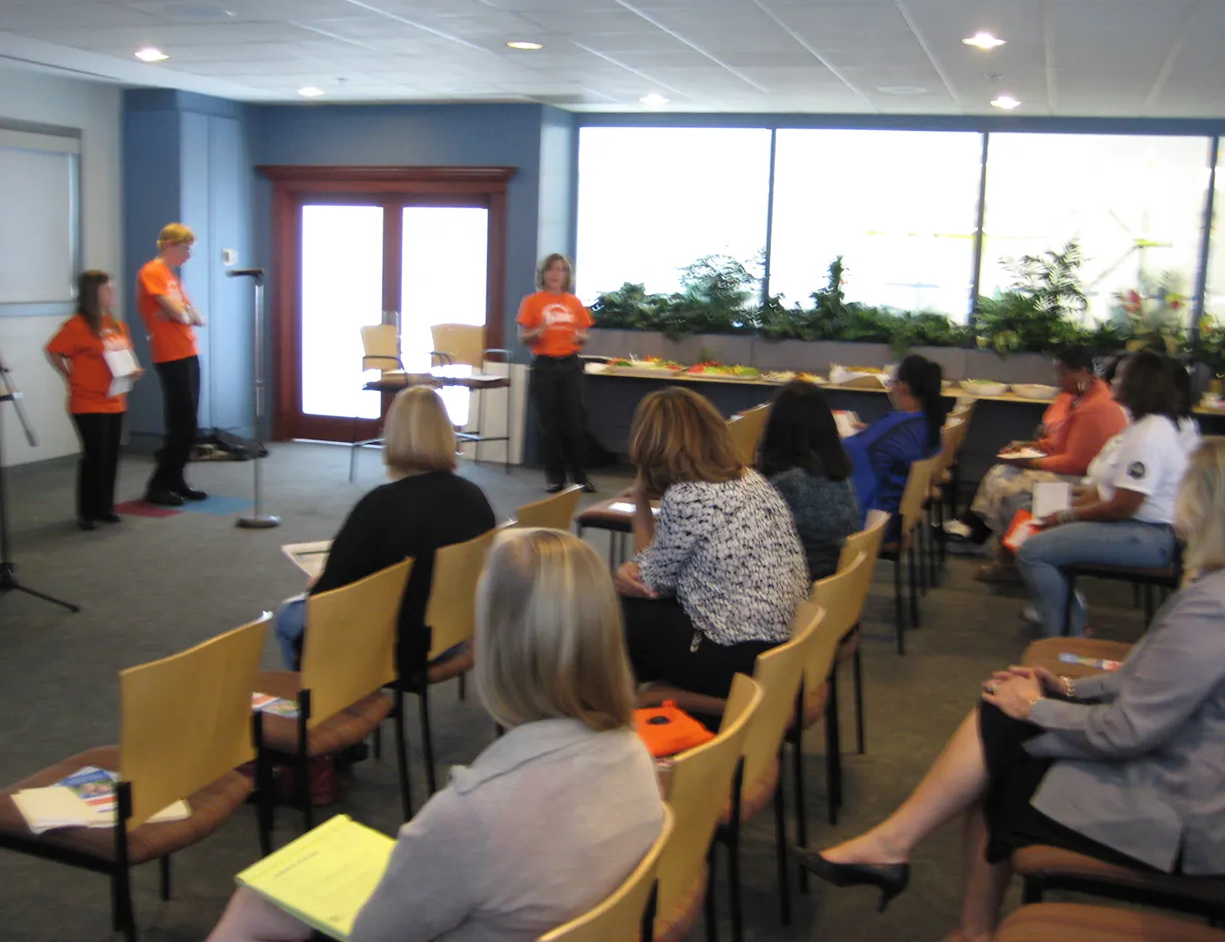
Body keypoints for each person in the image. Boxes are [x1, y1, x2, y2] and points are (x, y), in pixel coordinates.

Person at [797, 438, 1225, 942]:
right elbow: (1154, 680)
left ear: (1209, 507)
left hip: (1183, 818)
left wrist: (1038, 706)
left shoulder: (1217, 605)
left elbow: (1128, 731)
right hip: (1197, 787)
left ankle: (921, 875)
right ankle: (910, 865)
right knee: (1002, 724)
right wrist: (1064, 686)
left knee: (1000, 752)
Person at [208, 528, 666, 942]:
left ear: (497, 643)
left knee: (257, 903)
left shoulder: (472, 813)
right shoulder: (633, 752)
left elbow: (374, 936)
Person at [273, 386, 496, 682]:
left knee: (291, 616)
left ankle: (322, 707)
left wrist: (317, 585)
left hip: (397, 646)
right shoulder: (474, 496)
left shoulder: (381, 505)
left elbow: (331, 594)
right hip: (454, 634)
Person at [617, 388, 808, 699]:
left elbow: (651, 586)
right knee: (636, 618)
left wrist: (640, 497)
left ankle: (627, 722)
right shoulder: (751, 479)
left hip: (738, 656)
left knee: (620, 615)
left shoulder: (687, 496)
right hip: (782, 646)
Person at [1015, 351, 1196, 638]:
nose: (1112, 381)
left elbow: (1123, 506)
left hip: (1149, 535)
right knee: (1034, 530)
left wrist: (1066, 515)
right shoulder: (1144, 427)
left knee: (1034, 552)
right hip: (1137, 528)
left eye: (1122, 376)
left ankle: (1069, 639)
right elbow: (1107, 490)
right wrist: (1068, 510)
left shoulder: (1149, 436)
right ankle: (1070, 625)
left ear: (1141, 385)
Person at [946, 345, 1128, 584]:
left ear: (1082, 372)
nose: (1058, 380)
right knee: (999, 473)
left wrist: (1030, 461)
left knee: (1011, 489)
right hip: (1068, 468)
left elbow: (1076, 462)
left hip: (1081, 477)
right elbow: (1057, 442)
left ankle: (1014, 558)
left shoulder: (1096, 407)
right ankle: (998, 547)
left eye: (1062, 374)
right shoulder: (1076, 397)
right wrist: (1030, 445)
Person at [45, 271, 144, 530]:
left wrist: (133, 370)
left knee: (111, 454)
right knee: (95, 455)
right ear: (93, 293)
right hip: (87, 401)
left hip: (115, 398)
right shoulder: (77, 326)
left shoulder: (116, 324)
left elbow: (125, 355)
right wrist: (68, 375)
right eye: (107, 290)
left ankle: (106, 507)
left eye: (112, 289)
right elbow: (54, 351)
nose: (112, 294)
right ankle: (87, 512)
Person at [757, 380, 860, 580]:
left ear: (777, 429)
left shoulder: (787, 484)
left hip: (796, 582)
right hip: (832, 579)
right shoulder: (837, 474)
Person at [138, 223, 205, 506]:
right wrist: (180, 313)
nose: (188, 255)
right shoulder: (152, 272)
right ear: (169, 245)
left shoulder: (172, 278)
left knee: (189, 425)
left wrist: (181, 313)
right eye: (185, 248)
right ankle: (158, 485)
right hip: (170, 354)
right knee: (179, 424)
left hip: (188, 350)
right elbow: (181, 314)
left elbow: (195, 316)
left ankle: (176, 480)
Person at [841, 354, 946, 537]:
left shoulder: (895, 426)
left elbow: (849, 451)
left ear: (902, 387)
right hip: (897, 515)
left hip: (876, 522)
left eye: (892, 383)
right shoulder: (927, 423)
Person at [517, 253, 596, 495]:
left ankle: (579, 475)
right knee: (548, 423)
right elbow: (522, 338)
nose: (556, 274)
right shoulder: (532, 302)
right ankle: (555, 476)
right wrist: (537, 331)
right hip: (545, 366)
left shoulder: (574, 303)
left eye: (561, 270)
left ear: (566, 276)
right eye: (551, 269)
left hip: (570, 365)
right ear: (543, 274)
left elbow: (583, 334)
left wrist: (580, 338)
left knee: (574, 421)